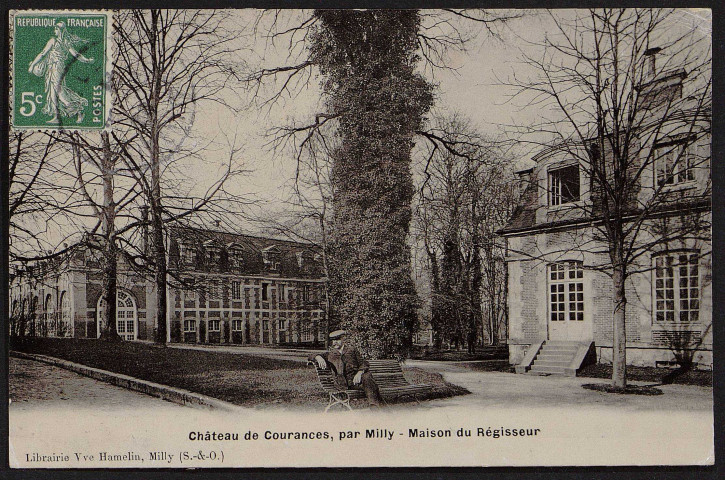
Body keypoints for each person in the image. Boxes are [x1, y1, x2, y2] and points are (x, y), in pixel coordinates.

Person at [28, 22, 94, 124]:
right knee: (52, 92)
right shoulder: (65, 41)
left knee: (58, 91)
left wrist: (33, 65)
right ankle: (56, 116)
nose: (54, 30)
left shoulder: (53, 41)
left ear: (60, 30)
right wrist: (86, 60)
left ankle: (78, 109)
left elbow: (42, 54)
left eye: (56, 28)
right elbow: (76, 54)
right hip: (53, 68)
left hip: (56, 68)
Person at [310, 330, 383, 407]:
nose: (335, 342)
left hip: (355, 382)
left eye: (337, 340)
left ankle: (374, 406)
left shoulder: (352, 350)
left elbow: (364, 363)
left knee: (367, 376)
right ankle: (378, 406)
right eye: (333, 340)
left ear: (343, 339)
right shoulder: (329, 354)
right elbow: (311, 355)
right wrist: (318, 357)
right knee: (371, 383)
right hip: (342, 385)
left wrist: (359, 372)